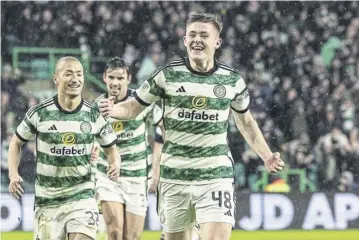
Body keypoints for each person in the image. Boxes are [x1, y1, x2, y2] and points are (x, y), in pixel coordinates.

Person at [98, 13, 285, 240]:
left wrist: (265, 155)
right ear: (185, 40)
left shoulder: (232, 80)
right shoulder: (166, 75)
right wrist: (112, 110)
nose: (197, 39)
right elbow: (132, 108)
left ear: (217, 42)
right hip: (174, 177)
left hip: (216, 175)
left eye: (204, 35)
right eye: (192, 35)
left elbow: (246, 122)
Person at [8, 56, 120, 240]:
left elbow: (111, 148)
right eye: (68, 74)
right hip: (47, 202)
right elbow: (16, 142)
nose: (75, 79)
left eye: (79, 74)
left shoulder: (93, 114)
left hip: (81, 196)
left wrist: (115, 163)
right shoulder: (39, 113)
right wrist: (13, 174)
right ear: (56, 79)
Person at [94, 57, 163, 240]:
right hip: (107, 176)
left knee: (131, 237)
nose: (115, 83)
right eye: (111, 77)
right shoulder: (97, 107)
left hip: (137, 177)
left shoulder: (141, 103)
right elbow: (90, 138)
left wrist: (156, 172)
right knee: (115, 232)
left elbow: (163, 132)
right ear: (104, 78)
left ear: (128, 79)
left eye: (120, 78)